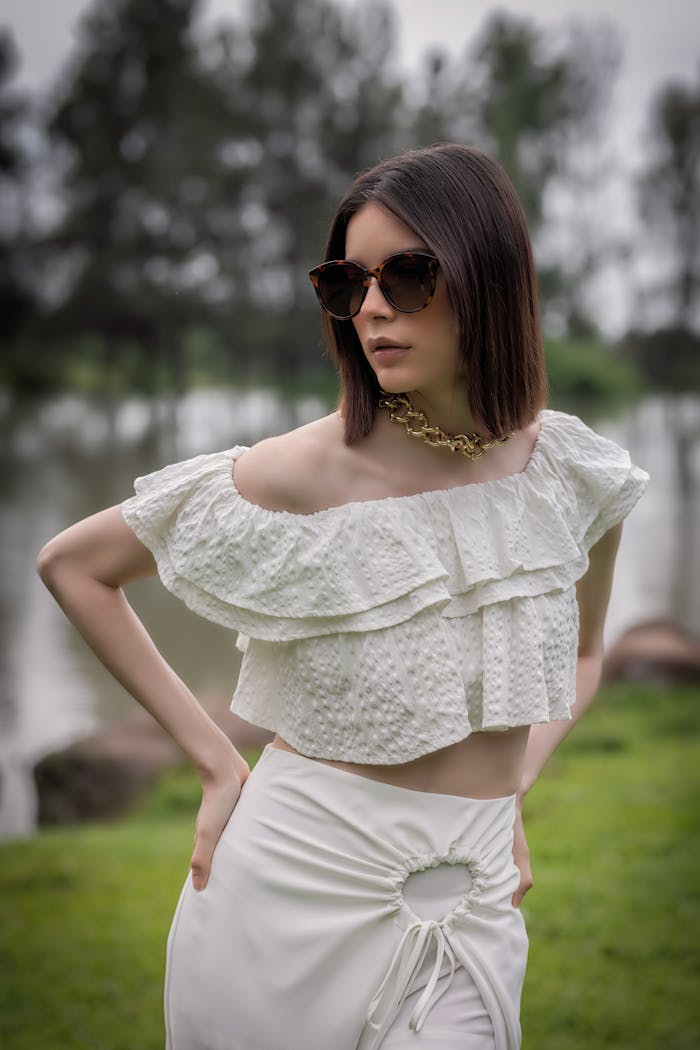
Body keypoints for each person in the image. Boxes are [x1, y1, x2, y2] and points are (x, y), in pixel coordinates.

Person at [36, 143, 649, 1050]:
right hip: (287, 890)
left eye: (405, 275)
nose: (370, 309)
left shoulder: (569, 472)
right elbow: (73, 565)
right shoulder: (305, 467)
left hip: (472, 894)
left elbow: (586, 657)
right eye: (345, 283)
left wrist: (510, 787)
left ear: (489, 275)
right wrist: (214, 762)